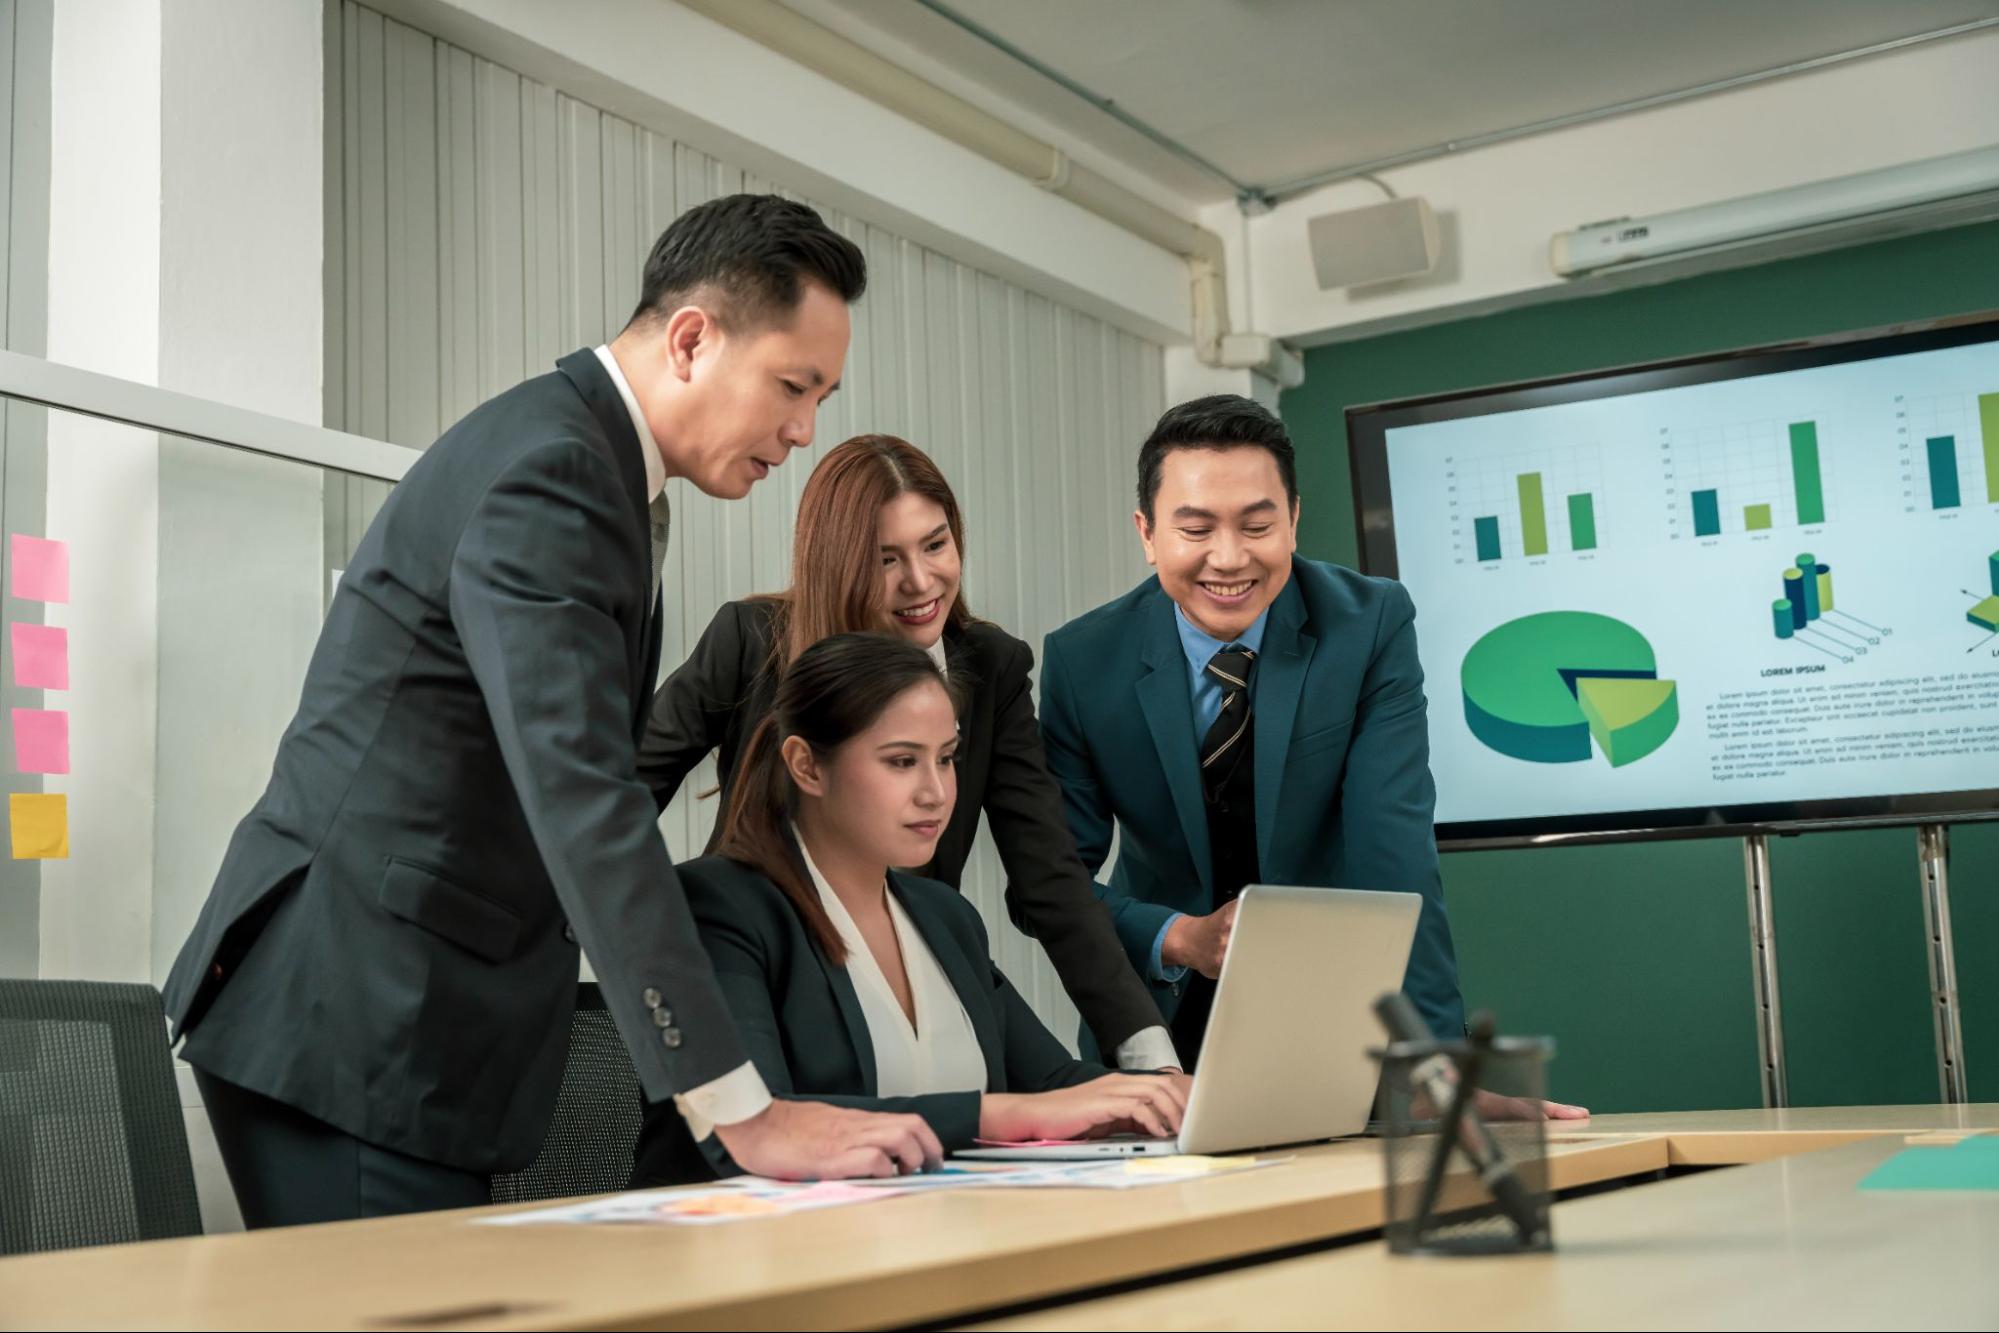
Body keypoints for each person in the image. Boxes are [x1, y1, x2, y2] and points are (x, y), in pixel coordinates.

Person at [163, 194, 943, 1228]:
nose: (802, 431)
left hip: (400, 1012)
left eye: (822, 397)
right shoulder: (556, 472)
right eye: (792, 388)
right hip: (359, 1014)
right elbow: (583, 795)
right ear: (692, 339)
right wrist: (736, 1107)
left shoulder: (591, 462)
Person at [1039, 395, 1585, 1117]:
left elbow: (1393, 856)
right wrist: (1180, 936)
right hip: (1155, 1029)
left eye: (1257, 525)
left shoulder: (1370, 625)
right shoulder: (1082, 660)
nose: (1228, 558)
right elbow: (1055, 880)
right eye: (1195, 528)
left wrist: (1431, 1068)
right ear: (1146, 533)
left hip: (1338, 1025)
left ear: (1293, 518)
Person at [636, 434, 1176, 1070]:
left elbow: (1051, 877)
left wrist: (1150, 1055)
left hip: (912, 973)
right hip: (766, 981)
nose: (921, 581)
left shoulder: (991, 666)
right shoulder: (750, 641)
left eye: (936, 543)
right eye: (885, 559)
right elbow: (617, 800)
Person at [633, 632, 1190, 1185]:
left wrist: (1161, 1098)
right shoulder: (718, 906)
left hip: (938, 1241)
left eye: (946, 759)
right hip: (748, 1257)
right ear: (806, 766)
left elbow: (1054, 1084)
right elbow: (763, 1123)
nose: (936, 792)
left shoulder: (946, 917)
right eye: (902, 762)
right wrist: (1002, 1114)